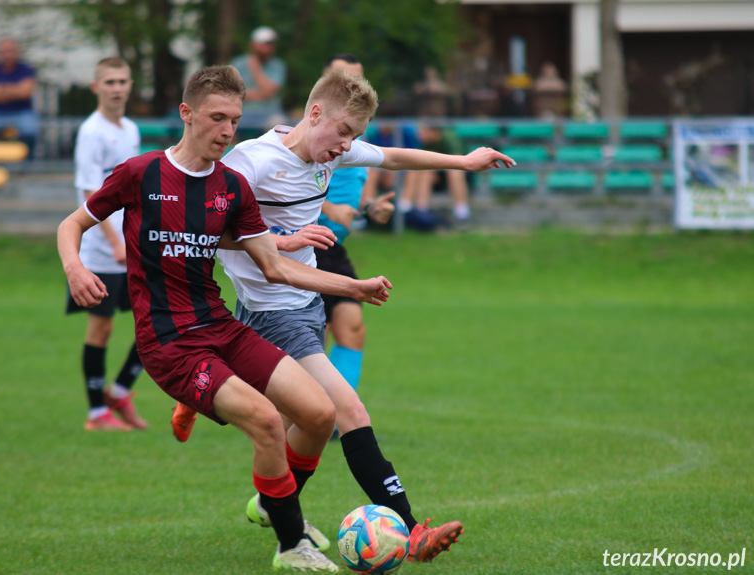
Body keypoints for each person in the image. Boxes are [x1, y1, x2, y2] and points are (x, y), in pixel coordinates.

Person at [58, 64, 392, 571]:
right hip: (169, 342)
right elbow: (74, 222)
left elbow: (274, 264)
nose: (228, 131)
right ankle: (290, 543)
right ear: (186, 115)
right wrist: (74, 265)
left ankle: (276, 510)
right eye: (217, 118)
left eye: (235, 121)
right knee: (263, 421)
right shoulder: (141, 173)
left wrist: (353, 287)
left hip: (219, 326)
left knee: (320, 415)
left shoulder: (231, 186)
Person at [173, 68, 514, 563]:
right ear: (315, 114)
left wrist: (463, 161)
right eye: (343, 133)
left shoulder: (330, 147)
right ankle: (413, 529)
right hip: (274, 313)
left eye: (354, 136)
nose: (346, 147)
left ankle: (268, 494)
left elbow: (394, 157)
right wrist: (281, 243)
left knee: (305, 421)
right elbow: (204, 227)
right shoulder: (251, 162)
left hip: (305, 305)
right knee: (347, 412)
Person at [314, 54, 395, 433]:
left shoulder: (354, 136)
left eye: (358, 81)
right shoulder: (317, 132)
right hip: (305, 243)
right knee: (312, 336)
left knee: (349, 327)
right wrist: (331, 206)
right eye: (344, 80)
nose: (353, 88)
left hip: (332, 245)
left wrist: (367, 207)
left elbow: (348, 194)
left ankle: (331, 416)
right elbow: (286, 183)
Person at [66, 57, 147, 432]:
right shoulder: (92, 132)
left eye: (122, 81)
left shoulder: (129, 129)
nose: (117, 87)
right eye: (110, 81)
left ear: (131, 85)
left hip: (130, 246)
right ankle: (97, 413)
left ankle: (119, 390)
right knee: (101, 330)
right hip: (102, 253)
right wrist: (115, 242)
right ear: (96, 88)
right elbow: (88, 192)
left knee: (158, 319)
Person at [0, 38, 39, 155]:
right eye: (4, 52)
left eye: (10, 51)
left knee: (30, 131)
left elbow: (25, 93)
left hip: (22, 112)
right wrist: (15, 89)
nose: (7, 55)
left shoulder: (26, 69)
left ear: (17, 52)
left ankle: (27, 163)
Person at [230, 26, 286, 132]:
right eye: (263, 43)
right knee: (225, 123)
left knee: (278, 124)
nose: (267, 47)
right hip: (241, 112)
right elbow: (233, 93)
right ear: (252, 44)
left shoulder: (278, 65)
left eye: (270, 44)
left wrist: (255, 67)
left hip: (270, 113)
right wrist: (261, 94)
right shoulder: (238, 63)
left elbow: (270, 91)